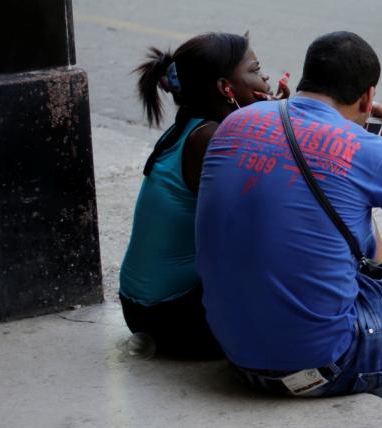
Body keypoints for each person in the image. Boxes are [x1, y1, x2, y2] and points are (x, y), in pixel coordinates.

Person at [195, 32, 382, 400]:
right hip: (325, 367)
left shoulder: (235, 123)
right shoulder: (369, 150)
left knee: (348, 215)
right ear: (368, 97)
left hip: (238, 356)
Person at [120, 33, 282, 358]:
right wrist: (283, 121)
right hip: (171, 316)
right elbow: (264, 219)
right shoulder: (209, 140)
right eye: (255, 69)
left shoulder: (192, 127)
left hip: (145, 308)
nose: (265, 77)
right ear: (227, 88)